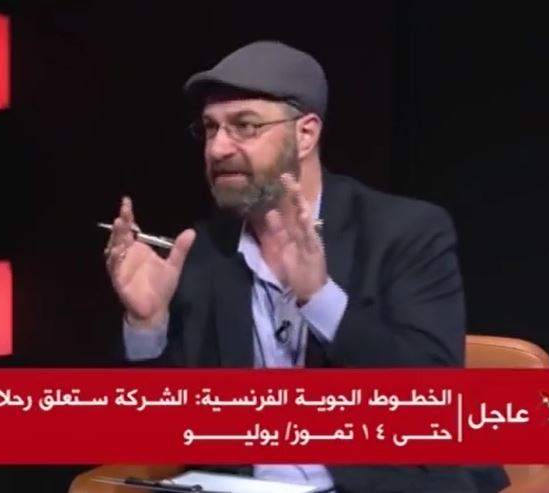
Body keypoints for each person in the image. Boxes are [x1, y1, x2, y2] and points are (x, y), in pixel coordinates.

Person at [102, 40, 509, 493]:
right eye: (210, 128)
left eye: (244, 126)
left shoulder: (404, 232)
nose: (217, 148)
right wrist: (147, 327)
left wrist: (321, 300)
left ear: (306, 134)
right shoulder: (205, 250)